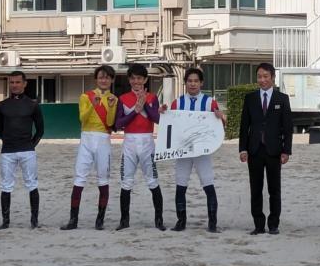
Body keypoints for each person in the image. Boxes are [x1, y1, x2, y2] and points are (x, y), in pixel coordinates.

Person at [159, 68, 224, 233]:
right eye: (190, 81)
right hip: (183, 150)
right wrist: (163, 113)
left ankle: (212, 223)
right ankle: (181, 221)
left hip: (202, 151)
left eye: (196, 81)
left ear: (201, 83)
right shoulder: (177, 103)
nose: (193, 84)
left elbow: (219, 128)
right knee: (181, 184)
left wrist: (220, 118)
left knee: (208, 184)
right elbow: (169, 126)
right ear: (185, 82)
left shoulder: (210, 103)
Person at [61, 65, 118, 231]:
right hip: (86, 138)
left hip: (103, 140)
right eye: (101, 77)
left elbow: (109, 122)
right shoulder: (86, 96)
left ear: (112, 80)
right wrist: (93, 105)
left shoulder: (113, 98)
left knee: (103, 179)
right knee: (79, 178)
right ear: (96, 79)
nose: (104, 80)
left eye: (107, 77)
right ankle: (73, 220)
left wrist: (112, 106)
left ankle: (100, 220)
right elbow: (82, 118)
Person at [239, 63, 293, 235]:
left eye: (265, 76)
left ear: (272, 78)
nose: (262, 80)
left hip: (274, 150)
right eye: (259, 77)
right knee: (255, 188)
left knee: (274, 189)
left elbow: (287, 127)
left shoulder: (282, 99)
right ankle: (258, 224)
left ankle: (274, 224)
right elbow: (244, 126)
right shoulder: (250, 98)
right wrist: (242, 149)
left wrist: (286, 150)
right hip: (254, 149)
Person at [114, 64, 165, 231]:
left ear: (145, 80)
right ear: (129, 80)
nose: (136, 81)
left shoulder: (151, 97)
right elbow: (119, 123)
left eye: (140, 78)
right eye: (133, 78)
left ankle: (159, 220)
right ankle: (124, 220)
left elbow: (157, 119)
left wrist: (145, 105)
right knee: (126, 182)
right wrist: (135, 110)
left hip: (147, 142)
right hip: (129, 142)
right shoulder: (122, 99)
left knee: (152, 181)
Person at [0, 71, 44, 230]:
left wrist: (30, 145)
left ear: (24, 84)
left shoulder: (33, 105)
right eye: (12, 82)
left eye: (17, 82)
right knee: (6, 185)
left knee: (32, 184)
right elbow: (0, 129)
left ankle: (34, 220)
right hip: (8, 151)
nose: (14, 85)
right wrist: (8, 142)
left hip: (27, 151)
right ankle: (5, 221)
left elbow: (40, 130)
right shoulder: (2, 105)